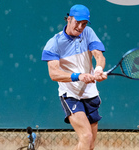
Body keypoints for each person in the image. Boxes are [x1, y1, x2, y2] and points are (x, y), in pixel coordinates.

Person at [41, 4, 107, 150]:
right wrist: (79, 76)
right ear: (69, 19)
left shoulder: (88, 33)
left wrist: (98, 69)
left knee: (89, 145)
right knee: (86, 136)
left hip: (90, 93)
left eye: (84, 24)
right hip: (70, 95)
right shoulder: (54, 43)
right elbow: (54, 74)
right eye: (77, 22)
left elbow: (99, 55)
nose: (80, 27)